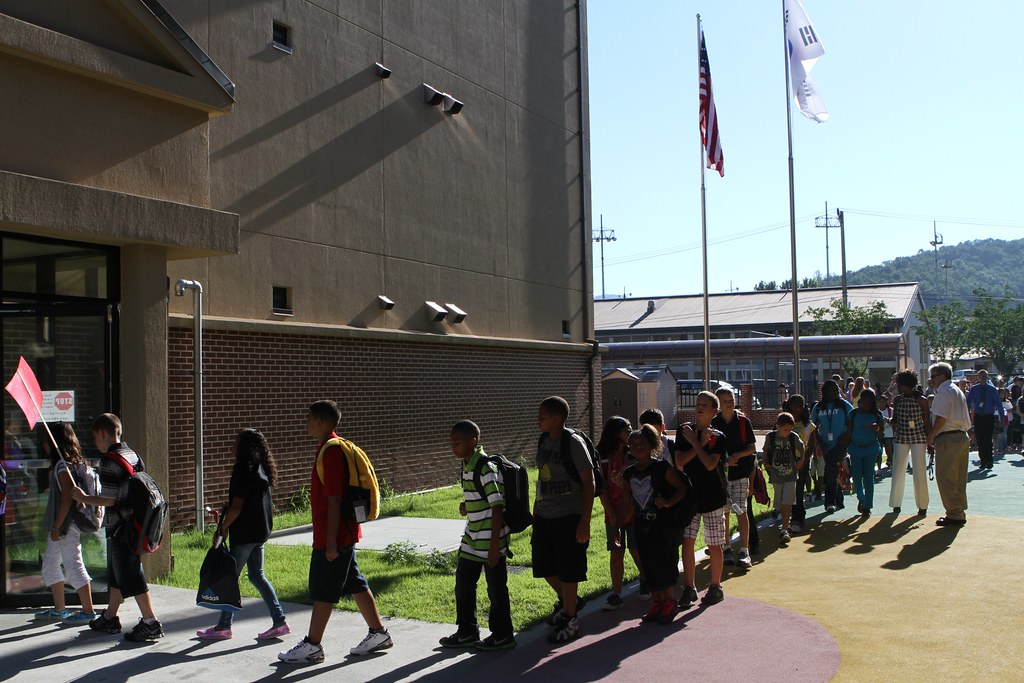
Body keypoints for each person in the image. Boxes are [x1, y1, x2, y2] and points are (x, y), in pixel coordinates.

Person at [278, 400, 392, 664]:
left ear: (320, 422)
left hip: (334, 536)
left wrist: (329, 543)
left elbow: (334, 499)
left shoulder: (331, 452)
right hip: (344, 533)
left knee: (323, 590)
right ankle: (378, 633)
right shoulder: (334, 447)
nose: (306, 423)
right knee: (354, 582)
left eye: (309, 419)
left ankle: (313, 646)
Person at [70, 413, 162, 641]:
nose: (95, 442)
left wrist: (83, 497)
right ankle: (110, 617)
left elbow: (110, 500)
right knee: (116, 573)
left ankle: (150, 622)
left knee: (131, 574)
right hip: (137, 524)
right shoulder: (132, 454)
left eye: (95, 437)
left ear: (102, 433)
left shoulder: (109, 461)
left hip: (121, 527)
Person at [197, 429, 288, 640]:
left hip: (245, 533)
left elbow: (237, 506)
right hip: (260, 531)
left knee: (231, 577)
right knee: (257, 576)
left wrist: (223, 528)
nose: (232, 445)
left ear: (244, 446)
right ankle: (279, 621)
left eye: (236, 442)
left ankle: (223, 627)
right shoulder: (261, 469)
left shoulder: (241, 470)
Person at [439, 420, 515, 651]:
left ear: (473, 441)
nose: (453, 446)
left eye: (457, 442)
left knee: (496, 589)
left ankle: (503, 635)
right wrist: (467, 506)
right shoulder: (467, 464)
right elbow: (480, 499)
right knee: (463, 583)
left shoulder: (485, 468)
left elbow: (497, 505)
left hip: (491, 540)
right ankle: (467, 631)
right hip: (473, 538)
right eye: (451, 442)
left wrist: (494, 547)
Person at [533, 396, 595, 644]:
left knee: (569, 570)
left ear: (557, 419)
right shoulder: (544, 440)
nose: (538, 420)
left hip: (569, 515)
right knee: (544, 566)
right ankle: (572, 602)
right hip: (545, 514)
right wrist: (536, 508)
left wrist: (585, 521)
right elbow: (542, 478)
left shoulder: (573, 443)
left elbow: (589, 483)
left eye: (542, 416)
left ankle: (570, 619)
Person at [619, 425, 688, 625]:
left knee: (663, 563)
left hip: (662, 527)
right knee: (648, 564)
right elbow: (626, 501)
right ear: (628, 447)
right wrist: (618, 525)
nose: (638, 447)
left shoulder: (661, 468)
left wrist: (668, 502)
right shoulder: (629, 473)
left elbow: (681, 489)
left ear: (651, 445)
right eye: (633, 444)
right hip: (641, 526)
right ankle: (656, 602)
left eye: (642, 443)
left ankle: (669, 601)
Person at [35, 422, 98, 625]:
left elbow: (67, 498)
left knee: (73, 565)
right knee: (51, 564)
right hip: (64, 524)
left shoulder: (63, 466)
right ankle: (59, 609)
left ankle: (88, 611)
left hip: (65, 525)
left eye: (45, 441)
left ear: (53, 443)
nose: (43, 445)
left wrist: (56, 527)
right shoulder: (76, 463)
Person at [674, 391, 728, 608]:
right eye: (698, 403)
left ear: (714, 411)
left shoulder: (718, 438)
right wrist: (697, 441)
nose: (700, 407)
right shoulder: (684, 431)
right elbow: (680, 462)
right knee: (687, 541)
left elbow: (709, 464)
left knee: (714, 543)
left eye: (705, 404)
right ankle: (689, 587)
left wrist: (697, 444)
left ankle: (715, 586)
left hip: (713, 497)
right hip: (690, 496)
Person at [595, 416, 644, 610]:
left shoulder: (632, 455)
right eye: (627, 430)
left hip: (633, 509)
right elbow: (601, 487)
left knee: (636, 548)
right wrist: (612, 513)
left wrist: (629, 508)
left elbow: (638, 484)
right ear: (615, 434)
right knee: (616, 551)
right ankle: (616, 593)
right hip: (612, 513)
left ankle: (645, 578)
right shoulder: (602, 457)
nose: (630, 432)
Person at [710, 388, 756, 570]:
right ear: (718, 405)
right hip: (721, 477)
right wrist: (723, 461)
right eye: (725, 401)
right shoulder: (713, 423)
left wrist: (737, 456)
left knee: (741, 510)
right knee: (724, 512)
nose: (729, 403)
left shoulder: (743, 422)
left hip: (740, 475)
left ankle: (744, 550)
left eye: (731, 400)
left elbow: (752, 447)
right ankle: (726, 547)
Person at [927, 364, 972, 526]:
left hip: (948, 437)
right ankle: (959, 510)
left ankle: (954, 513)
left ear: (942, 375)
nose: (931, 380)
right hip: (961, 436)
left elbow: (941, 418)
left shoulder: (944, 392)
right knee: (959, 477)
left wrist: (931, 436)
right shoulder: (956, 390)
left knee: (946, 477)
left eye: (933, 376)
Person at [889, 370, 931, 516]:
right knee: (898, 470)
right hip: (901, 437)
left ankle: (922, 505)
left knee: (919, 471)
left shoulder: (922, 400)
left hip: (918, 438)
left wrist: (930, 442)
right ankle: (896, 503)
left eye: (898, 384)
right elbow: (895, 420)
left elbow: (926, 422)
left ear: (905, 384)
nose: (897, 386)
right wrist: (888, 422)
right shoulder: (898, 400)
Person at [810, 380, 854, 514]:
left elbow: (852, 422)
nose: (837, 391)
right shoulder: (818, 407)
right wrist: (820, 442)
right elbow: (813, 427)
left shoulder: (844, 405)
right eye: (834, 389)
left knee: (831, 471)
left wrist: (846, 437)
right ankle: (838, 501)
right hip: (825, 445)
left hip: (840, 444)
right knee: (833, 471)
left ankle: (829, 502)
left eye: (837, 388)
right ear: (826, 391)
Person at [761, 412, 805, 542]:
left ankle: (784, 529)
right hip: (776, 475)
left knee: (787, 502)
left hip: (790, 475)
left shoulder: (793, 437)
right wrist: (766, 463)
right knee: (779, 502)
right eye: (785, 429)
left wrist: (801, 460)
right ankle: (781, 516)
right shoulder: (771, 437)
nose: (788, 432)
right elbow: (765, 450)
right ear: (777, 426)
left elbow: (802, 446)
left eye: (790, 429)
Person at [845, 389, 884, 517]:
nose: (865, 406)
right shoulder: (853, 414)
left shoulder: (877, 415)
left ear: (873, 403)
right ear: (860, 401)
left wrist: (877, 428)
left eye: (868, 403)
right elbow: (849, 432)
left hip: (871, 449)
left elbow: (881, 435)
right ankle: (861, 498)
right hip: (855, 449)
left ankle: (867, 506)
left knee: (868, 477)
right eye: (863, 402)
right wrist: (844, 448)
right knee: (856, 476)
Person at [786, 395, 817, 532]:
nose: (798, 407)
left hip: (801, 462)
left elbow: (811, 445)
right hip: (785, 463)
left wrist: (803, 461)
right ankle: (788, 516)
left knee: (798, 490)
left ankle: (798, 518)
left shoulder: (809, 425)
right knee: (787, 492)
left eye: (801, 404)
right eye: (795, 404)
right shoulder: (783, 422)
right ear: (789, 406)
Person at [965, 370, 1004, 470]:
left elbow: (999, 404)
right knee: (980, 440)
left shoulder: (992, 389)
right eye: (981, 376)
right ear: (978, 377)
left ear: (987, 377)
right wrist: (966, 417)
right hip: (978, 417)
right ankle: (983, 461)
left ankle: (989, 461)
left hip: (988, 417)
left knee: (988, 439)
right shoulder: (974, 389)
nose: (983, 377)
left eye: (985, 376)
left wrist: (1002, 417)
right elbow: (967, 403)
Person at [878, 394, 894, 472]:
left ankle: (891, 461)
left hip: (889, 433)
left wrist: (888, 420)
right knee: (879, 451)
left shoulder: (891, 410)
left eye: (883, 401)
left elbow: (894, 421)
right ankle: (879, 467)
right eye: (880, 402)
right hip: (880, 433)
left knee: (889, 448)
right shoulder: (877, 412)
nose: (882, 403)